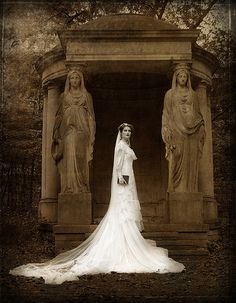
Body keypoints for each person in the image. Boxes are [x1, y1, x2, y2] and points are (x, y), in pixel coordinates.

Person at [10, 123, 185, 284]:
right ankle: (121, 245)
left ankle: (127, 241)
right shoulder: (121, 147)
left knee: (127, 212)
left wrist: (129, 182)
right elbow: (118, 168)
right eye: (125, 131)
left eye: (129, 131)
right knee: (123, 211)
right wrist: (122, 184)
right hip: (123, 181)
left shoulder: (127, 146)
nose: (127, 133)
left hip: (129, 180)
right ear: (120, 133)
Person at [161, 65, 205, 193]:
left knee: (190, 160)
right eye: (180, 76)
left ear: (188, 78)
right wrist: (165, 128)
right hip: (176, 130)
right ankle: (174, 187)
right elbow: (166, 113)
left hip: (192, 131)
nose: (182, 78)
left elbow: (198, 113)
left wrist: (201, 125)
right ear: (176, 78)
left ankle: (188, 190)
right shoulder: (170, 94)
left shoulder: (193, 94)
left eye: (185, 76)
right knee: (176, 158)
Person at [51, 70, 96, 193]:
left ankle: (81, 186)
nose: (75, 80)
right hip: (69, 131)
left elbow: (91, 116)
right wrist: (55, 131)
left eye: (77, 78)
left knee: (81, 159)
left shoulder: (87, 96)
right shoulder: (63, 96)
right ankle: (69, 187)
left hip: (83, 131)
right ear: (69, 81)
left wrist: (92, 134)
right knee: (69, 157)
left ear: (81, 80)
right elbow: (59, 115)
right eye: (72, 78)